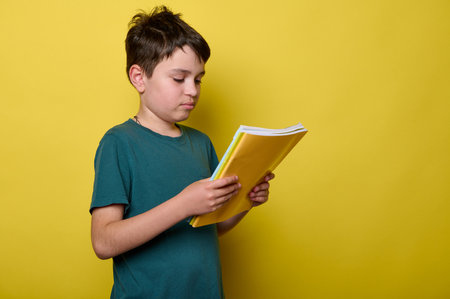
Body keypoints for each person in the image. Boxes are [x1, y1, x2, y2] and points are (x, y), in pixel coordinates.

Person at [90, 6, 274, 299]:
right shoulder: (119, 143)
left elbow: (212, 227)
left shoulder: (201, 143)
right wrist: (183, 204)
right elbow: (103, 241)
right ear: (139, 77)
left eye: (198, 79)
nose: (192, 90)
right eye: (179, 79)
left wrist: (246, 200)